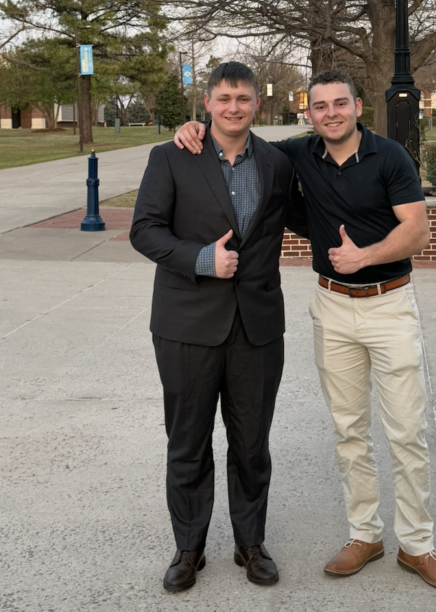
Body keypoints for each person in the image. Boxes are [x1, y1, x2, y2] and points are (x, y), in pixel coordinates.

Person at [174, 69, 436, 592]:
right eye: (320, 106)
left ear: (359, 108)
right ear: (308, 113)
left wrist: (365, 257)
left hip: (389, 304)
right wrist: (192, 128)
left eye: (340, 104)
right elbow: (238, 138)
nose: (331, 113)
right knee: (349, 429)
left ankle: (418, 545)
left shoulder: (390, 157)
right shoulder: (296, 154)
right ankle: (364, 535)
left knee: (405, 430)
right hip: (331, 308)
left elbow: (418, 230)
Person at [130, 61, 306, 593]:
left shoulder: (277, 162)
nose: (234, 107)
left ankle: (250, 543)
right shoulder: (172, 157)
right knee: (187, 441)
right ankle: (189, 547)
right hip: (186, 324)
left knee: (252, 443)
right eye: (224, 97)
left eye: (244, 98)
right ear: (207, 102)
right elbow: (144, 230)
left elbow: (306, 211)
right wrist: (201, 259)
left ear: (258, 104)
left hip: (257, 327)